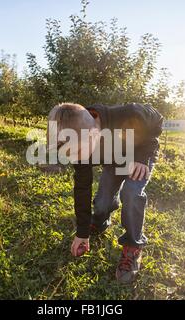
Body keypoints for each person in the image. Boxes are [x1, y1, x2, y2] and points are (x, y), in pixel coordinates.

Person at [47, 102, 163, 283]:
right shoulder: (78, 145)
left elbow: (156, 120)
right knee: (102, 202)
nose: (77, 160)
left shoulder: (128, 114)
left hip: (139, 158)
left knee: (131, 193)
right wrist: (82, 233)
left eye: (78, 153)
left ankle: (133, 245)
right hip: (115, 160)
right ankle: (99, 222)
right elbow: (82, 189)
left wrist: (142, 157)